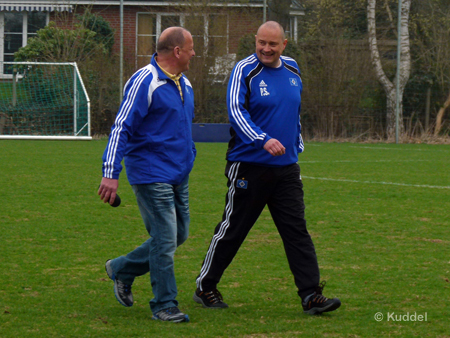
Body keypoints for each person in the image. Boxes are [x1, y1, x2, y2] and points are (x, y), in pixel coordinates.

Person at [193, 21, 341, 315]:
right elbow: (236, 111)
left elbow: (293, 109)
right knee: (233, 230)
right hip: (249, 166)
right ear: (256, 41)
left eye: (273, 44)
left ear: (284, 45)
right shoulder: (244, 71)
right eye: (262, 43)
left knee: (296, 231)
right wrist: (263, 139)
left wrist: (296, 141)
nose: (266, 49)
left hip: (286, 170)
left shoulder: (293, 69)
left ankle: (311, 295)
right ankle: (205, 286)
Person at [98, 26, 196, 323]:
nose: (194, 53)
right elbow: (121, 127)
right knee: (165, 240)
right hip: (151, 174)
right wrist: (110, 172)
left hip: (179, 174)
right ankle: (165, 304)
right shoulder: (145, 81)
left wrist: (189, 156)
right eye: (190, 48)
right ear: (177, 51)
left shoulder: (185, 84)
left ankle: (122, 269)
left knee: (179, 234)